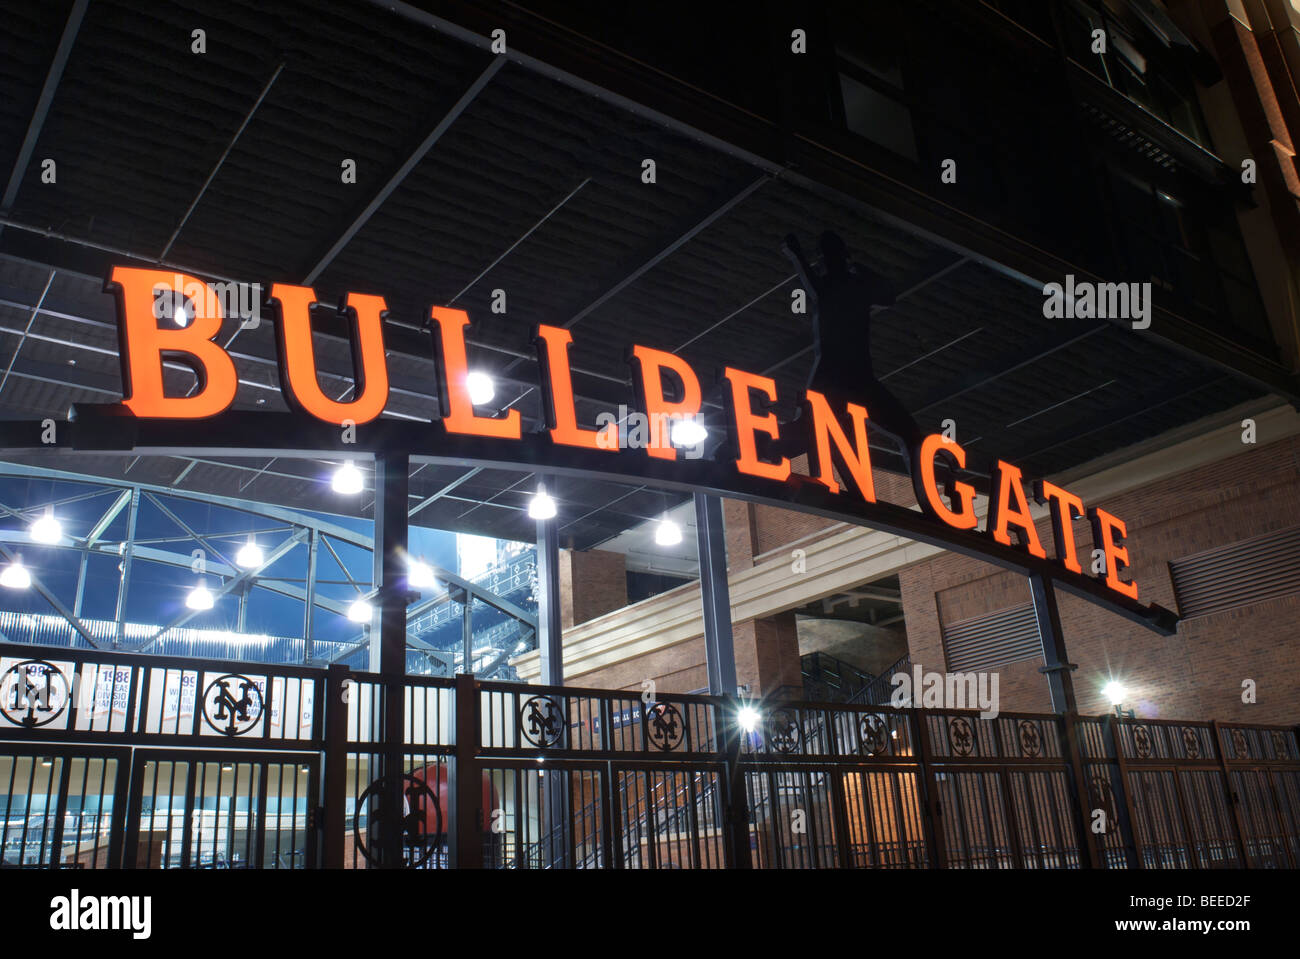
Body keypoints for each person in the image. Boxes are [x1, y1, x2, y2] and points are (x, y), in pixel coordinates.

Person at [781, 230, 923, 476]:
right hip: (846, 378)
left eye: (830, 256)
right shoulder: (839, 286)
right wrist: (797, 255)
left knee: (909, 433)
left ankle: (754, 448)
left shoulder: (848, 286)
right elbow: (888, 296)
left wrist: (797, 254)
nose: (829, 261)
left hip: (849, 378)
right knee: (803, 432)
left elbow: (889, 296)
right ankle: (754, 448)